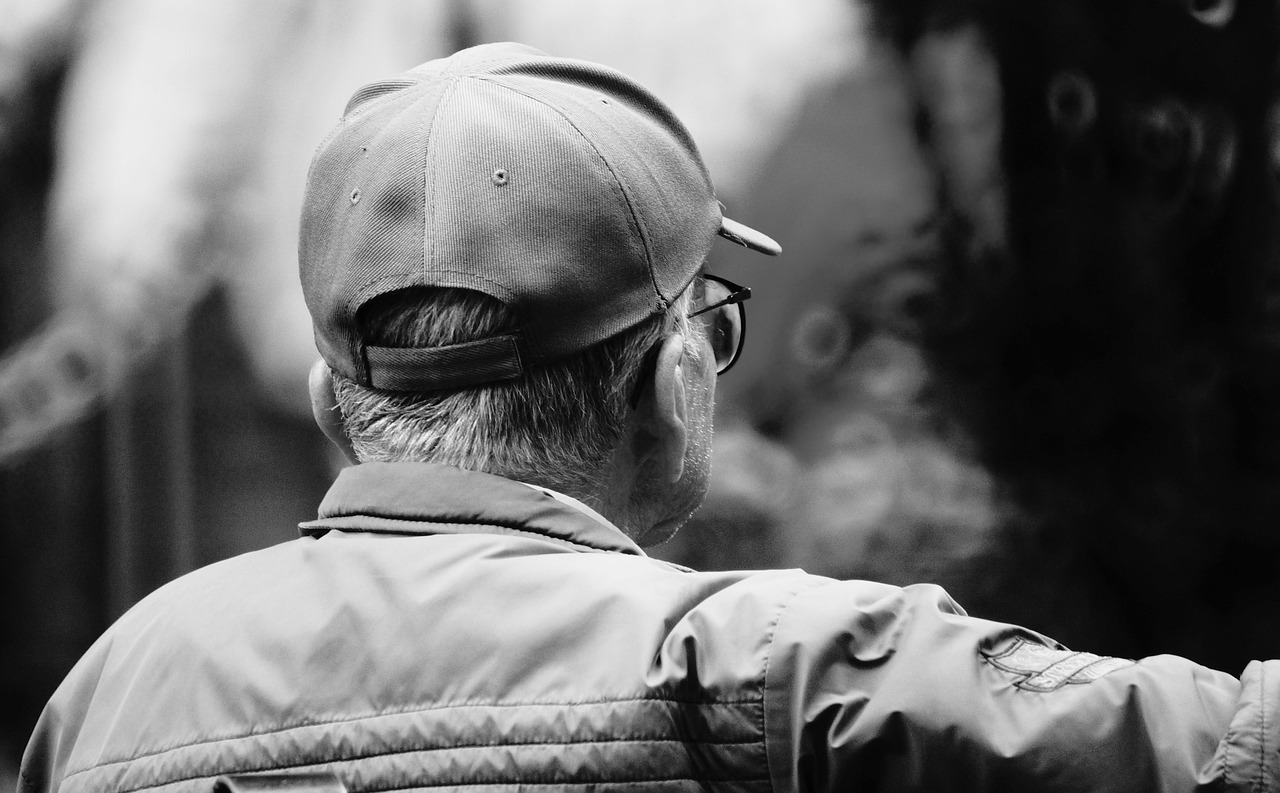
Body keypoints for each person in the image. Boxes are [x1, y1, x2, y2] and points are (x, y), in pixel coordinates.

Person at [18, 41, 1280, 793]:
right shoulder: (772, 666)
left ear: (327, 401)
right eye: (709, 330)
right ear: (674, 380)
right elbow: (1221, 747)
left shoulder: (115, 690)